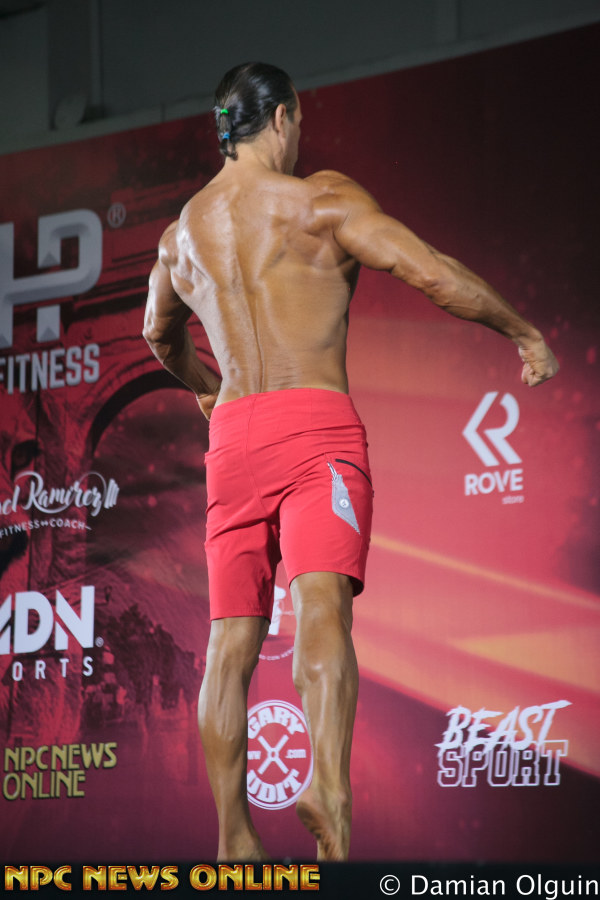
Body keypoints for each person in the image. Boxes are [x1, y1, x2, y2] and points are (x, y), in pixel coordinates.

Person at [143, 62, 558, 862]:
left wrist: (208, 387)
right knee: (323, 606)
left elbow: (158, 336)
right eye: (297, 123)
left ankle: (233, 836)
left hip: (232, 441)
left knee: (230, 640)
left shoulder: (181, 235)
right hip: (313, 426)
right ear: (283, 117)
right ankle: (327, 787)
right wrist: (522, 332)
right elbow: (427, 269)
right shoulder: (319, 201)